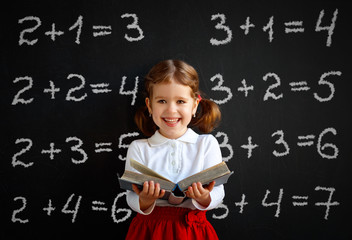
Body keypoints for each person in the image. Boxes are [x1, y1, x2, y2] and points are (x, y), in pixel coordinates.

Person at [124, 59, 224, 240]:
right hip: (150, 229)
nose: (171, 110)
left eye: (180, 101)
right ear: (149, 105)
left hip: (193, 229)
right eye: (162, 100)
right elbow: (131, 195)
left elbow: (219, 191)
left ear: (194, 105)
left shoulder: (207, 144)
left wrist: (204, 198)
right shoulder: (139, 148)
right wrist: (145, 200)